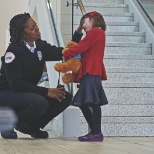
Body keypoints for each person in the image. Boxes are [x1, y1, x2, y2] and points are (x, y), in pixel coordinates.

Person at [0, 12, 83, 139]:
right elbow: (16, 84)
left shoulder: (39, 46)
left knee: (64, 97)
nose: (37, 29)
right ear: (23, 33)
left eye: (36, 25)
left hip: (24, 92)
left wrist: (78, 33)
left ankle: (30, 127)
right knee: (40, 102)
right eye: (32, 28)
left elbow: (63, 52)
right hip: (7, 94)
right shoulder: (13, 51)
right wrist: (47, 91)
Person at [63, 11, 108, 142]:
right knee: (86, 102)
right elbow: (75, 42)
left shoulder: (95, 32)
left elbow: (80, 47)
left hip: (91, 70)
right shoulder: (96, 33)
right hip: (91, 70)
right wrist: (79, 29)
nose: (82, 25)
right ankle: (95, 131)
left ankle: (96, 132)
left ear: (93, 19)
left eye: (84, 21)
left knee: (92, 102)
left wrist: (66, 54)